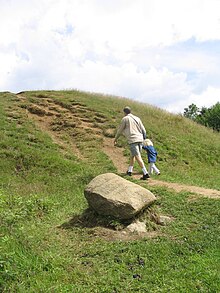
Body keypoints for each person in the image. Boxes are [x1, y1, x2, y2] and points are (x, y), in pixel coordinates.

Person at [114, 106, 150, 180]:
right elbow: (144, 130)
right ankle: (130, 171)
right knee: (133, 155)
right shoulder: (137, 118)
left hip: (133, 139)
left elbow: (120, 130)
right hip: (140, 139)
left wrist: (116, 138)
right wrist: (143, 138)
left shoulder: (125, 119)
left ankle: (145, 173)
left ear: (124, 112)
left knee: (137, 156)